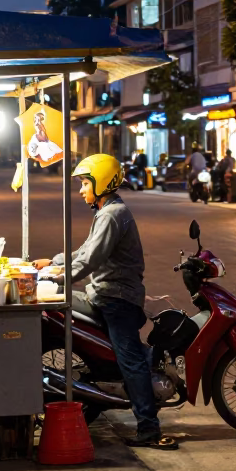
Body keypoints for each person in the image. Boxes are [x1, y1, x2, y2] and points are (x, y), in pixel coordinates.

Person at [35, 155, 177, 450]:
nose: (81, 189)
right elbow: (85, 250)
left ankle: (149, 428)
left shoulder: (113, 215)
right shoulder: (107, 211)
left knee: (131, 362)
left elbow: (90, 259)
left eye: (85, 183)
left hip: (118, 299)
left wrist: (57, 279)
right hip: (103, 294)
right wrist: (54, 262)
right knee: (62, 306)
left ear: (101, 183)